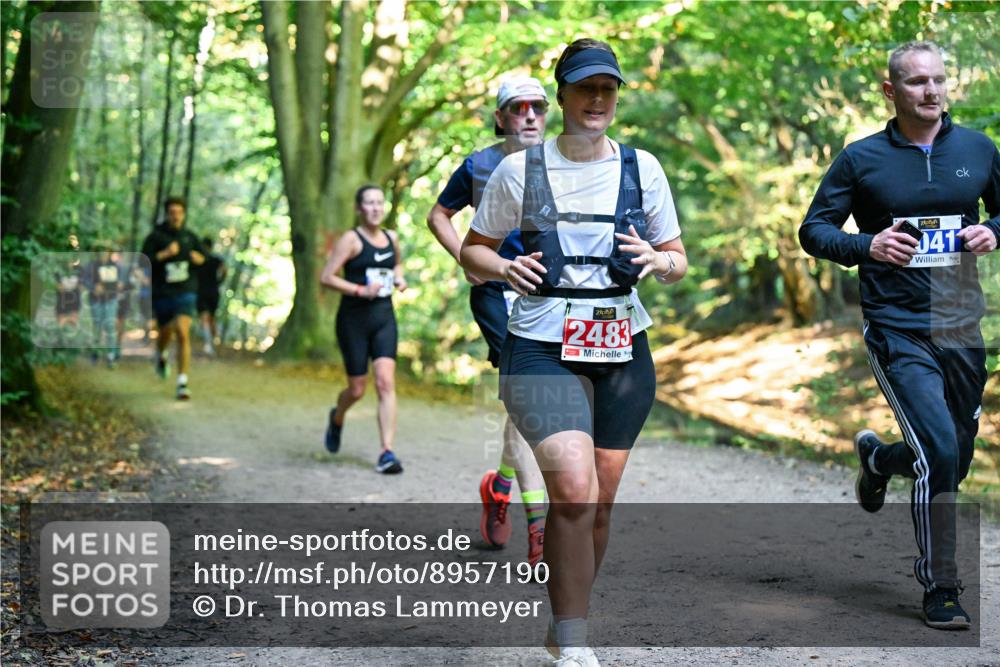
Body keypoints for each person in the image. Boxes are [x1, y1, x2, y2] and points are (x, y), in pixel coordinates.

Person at [461, 39, 686, 665]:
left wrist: (659, 261)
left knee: (600, 505)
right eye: (584, 88)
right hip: (538, 345)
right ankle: (578, 644)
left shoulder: (644, 169)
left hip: (623, 347)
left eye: (607, 88)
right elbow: (472, 249)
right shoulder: (518, 171)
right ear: (561, 95)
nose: (596, 99)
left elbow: (676, 257)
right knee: (575, 491)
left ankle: (564, 629)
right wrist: (505, 271)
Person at [799, 41, 998, 630]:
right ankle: (942, 586)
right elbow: (814, 231)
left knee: (954, 458)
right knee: (938, 450)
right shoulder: (861, 160)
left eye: (939, 80)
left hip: (961, 324)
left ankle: (881, 460)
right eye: (916, 83)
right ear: (891, 91)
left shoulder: (979, 149)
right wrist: (869, 245)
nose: (931, 91)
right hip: (898, 327)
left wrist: (993, 231)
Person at [427, 76, 549, 566]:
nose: (529, 116)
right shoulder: (478, 165)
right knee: (528, 402)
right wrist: (469, 258)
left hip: (547, 296)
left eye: (538, 107)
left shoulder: (563, 163)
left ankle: (498, 486)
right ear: (500, 117)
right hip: (498, 295)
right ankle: (539, 526)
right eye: (518, 108)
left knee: (526, 406)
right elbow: (438, 214)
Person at [320, 185, 407, 474]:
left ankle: (387, 452)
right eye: (369, 203)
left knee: (384, 381)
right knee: (357, 389)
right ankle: (338, 416)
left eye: (379, 203)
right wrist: (359, 289)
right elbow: (327, 277)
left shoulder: (392, 237)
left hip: (384, 317)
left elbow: (397, 266)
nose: (375, 208)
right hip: (353, 321)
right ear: (359, 209)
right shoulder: (351, 239)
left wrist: (399, 280)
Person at [141, 196, 205, 400]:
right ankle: (160, 354)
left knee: (183, 331)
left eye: (179, 212)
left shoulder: (191, 237)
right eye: (172, 212)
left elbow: (205, 259)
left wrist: (199, 259)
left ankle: (182, 382)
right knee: (165, 333)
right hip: (162, 293)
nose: (176, 216)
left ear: (184, 214)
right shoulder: (155, 237)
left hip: (186, 291)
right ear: (167, 214)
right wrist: (164, 254)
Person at [83, 248, 122, 367]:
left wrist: (119, 285)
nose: (103, 253)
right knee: (97, 326)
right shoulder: (91, 266)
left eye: (105, 251)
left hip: (111, 300)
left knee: (110, 326)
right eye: (100, 251)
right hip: (96, 301)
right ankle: (95, 352)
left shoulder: (116, 266)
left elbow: (121, 282)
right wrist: (93, 288)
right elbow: (84, 280)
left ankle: (111, 355)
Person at [196, 235, 227, 356]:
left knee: (206, 318)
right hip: (213, 292)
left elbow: (224, 270)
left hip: (203, 292)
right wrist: (220, 281)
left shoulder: (200, 260)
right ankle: (213, 344)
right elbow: (224, 270)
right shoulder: (216, 260)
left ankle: (209, 344)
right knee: (211, 318)